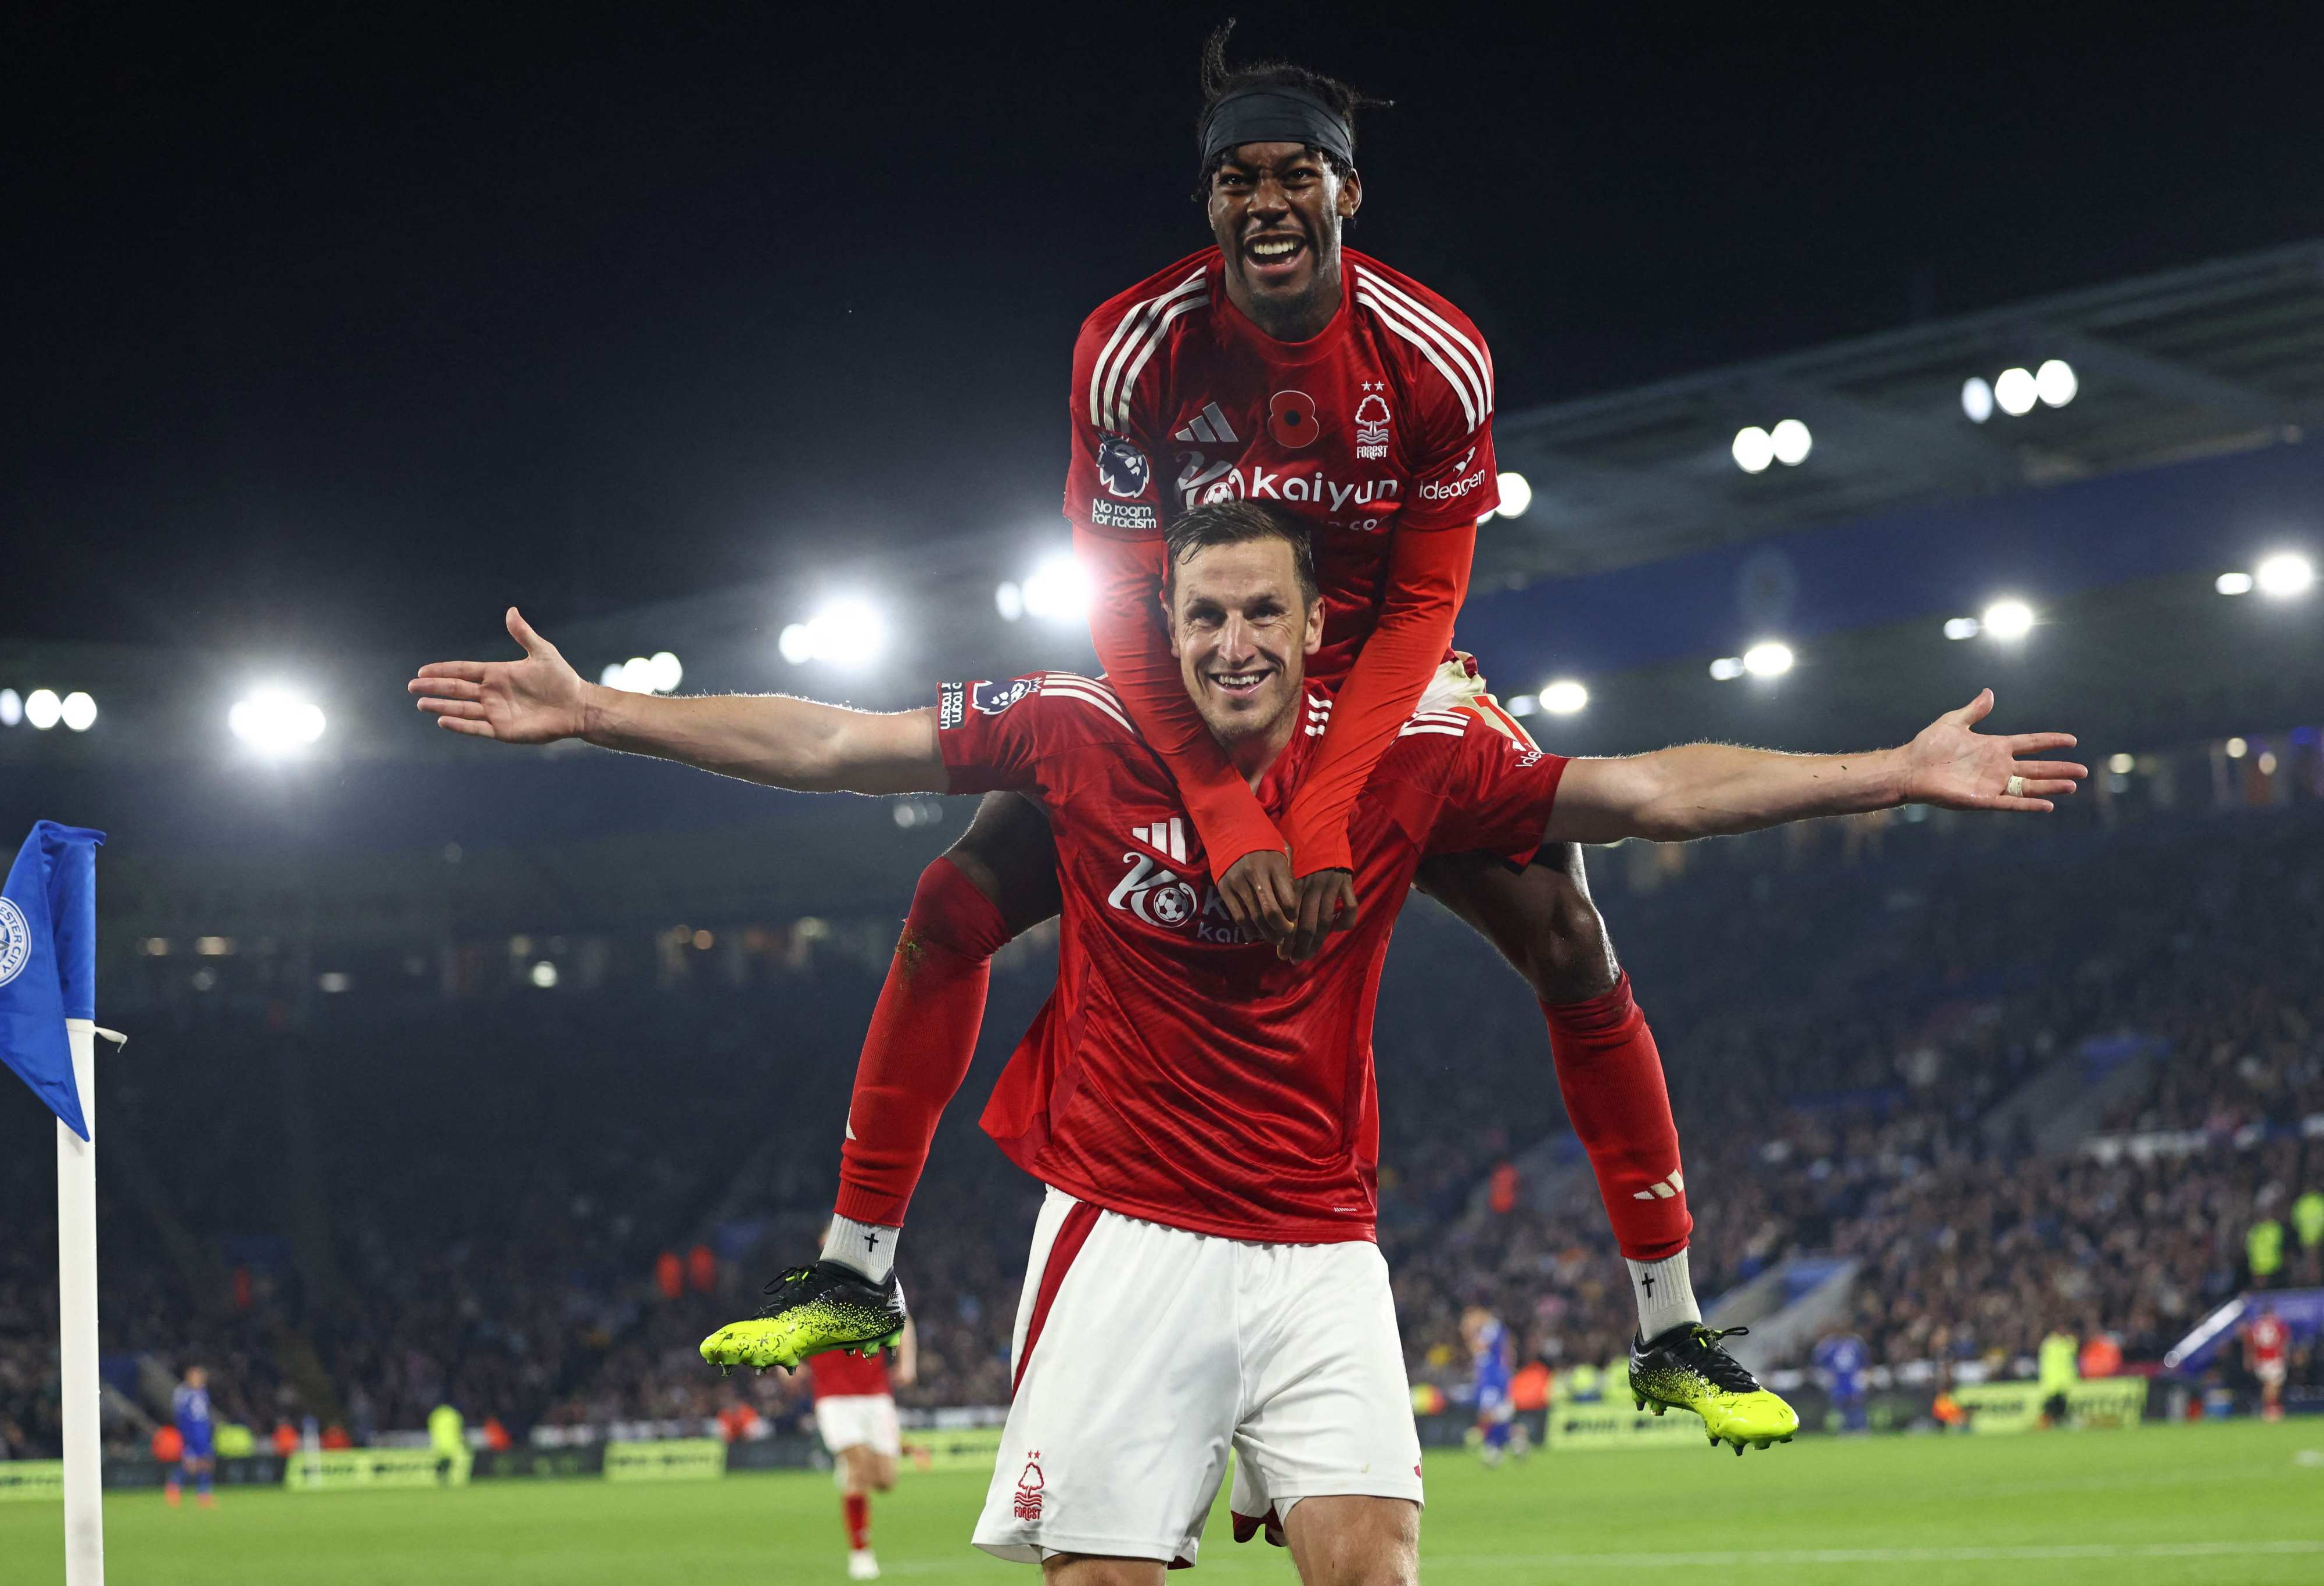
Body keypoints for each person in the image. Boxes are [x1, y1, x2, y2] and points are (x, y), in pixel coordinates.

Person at [410, 501, 2082, 1577]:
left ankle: (1676, 1317)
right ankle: (857, 1254)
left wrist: (1890, 766)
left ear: (1311, 631)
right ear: (1167, 623)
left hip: (1322, 1244)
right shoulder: (1078, 731)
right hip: (1130, 1229)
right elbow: (840, 741)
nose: (1227, 642)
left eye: (1257, 616)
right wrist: (607, 713)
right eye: (1200, 614)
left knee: (1374, 1567)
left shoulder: (1408, 765)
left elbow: (1647, 791)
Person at [768, 20, 1777, 1441]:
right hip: (1199, 668)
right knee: (948, 900)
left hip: (1377, 679)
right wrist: (1236, 812)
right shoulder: (1132, 350)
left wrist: (1317, 810)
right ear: (1211, 202)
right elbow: (1124, 607)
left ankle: (1670, 1322)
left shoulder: (1433, 360)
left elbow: (1424, 600)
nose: (1265, 201)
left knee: (1567, 935)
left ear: (1346, 190)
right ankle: (860, 1267)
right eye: (1237, 178)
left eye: (1294, 172)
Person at [810, 1308, 919, 1581]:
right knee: (858, 1469)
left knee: (885, 1481)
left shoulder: (874, 1287)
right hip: (834, 1397)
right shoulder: (813, 1290)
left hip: (876, 1396)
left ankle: (849, 1469)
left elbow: (904, 1322)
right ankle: (861, 1554)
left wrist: (907, 1364)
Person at [1460, 1307, 1521, 1465]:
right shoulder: (1490, 1329)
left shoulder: (1491, 1328)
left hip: (1493, 1378)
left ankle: (1496, 1447)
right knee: (1496, 1413)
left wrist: (1469, 1334)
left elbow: (1480, 1348)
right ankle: (1514, 1442)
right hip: (1488, 1377)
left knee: (1488, 1414)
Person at [170, 1365, 215, 1508]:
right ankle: (174, 1485)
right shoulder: (183, 1394)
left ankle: (203, 1493)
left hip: (203, 1433)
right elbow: (181, 1416)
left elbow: (204, 1416)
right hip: (191, 1434)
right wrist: (186, 1435)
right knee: (191, 1465)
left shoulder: (203, 1393)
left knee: (207, 1462)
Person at [1811, 1330, 1869, 1434]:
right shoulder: (1831, 1346)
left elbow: (1864, 1361)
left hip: (1852, 1379)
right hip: (1839, 1380)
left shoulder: (1855, 1344)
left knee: (1855, 1403)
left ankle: (1860, 1427)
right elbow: (1819, 1360)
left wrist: (1863, 1375)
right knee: (1842, 1404)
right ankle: (1847, 1428)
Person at [2243, 1303, 2290, 1423]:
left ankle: (2271, 1408)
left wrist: (2250, 1358)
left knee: (2269, 1385)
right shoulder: (2278, 1324)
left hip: (2261, 1360)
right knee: (2272, 1385)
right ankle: (2270, 1409)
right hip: (2274, 1359)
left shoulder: (2256, 1327)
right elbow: (2285, 1341)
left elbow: (2250, 1344)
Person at [2037, 1327, 2078, 1429]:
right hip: (2053, 1382)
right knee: (2053, 1405)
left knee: (2060, 1405)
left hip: (2062, 1382)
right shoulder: (2050, 1344)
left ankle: (2055, 1423)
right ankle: (2048, 1423)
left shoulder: (2063, 1343)